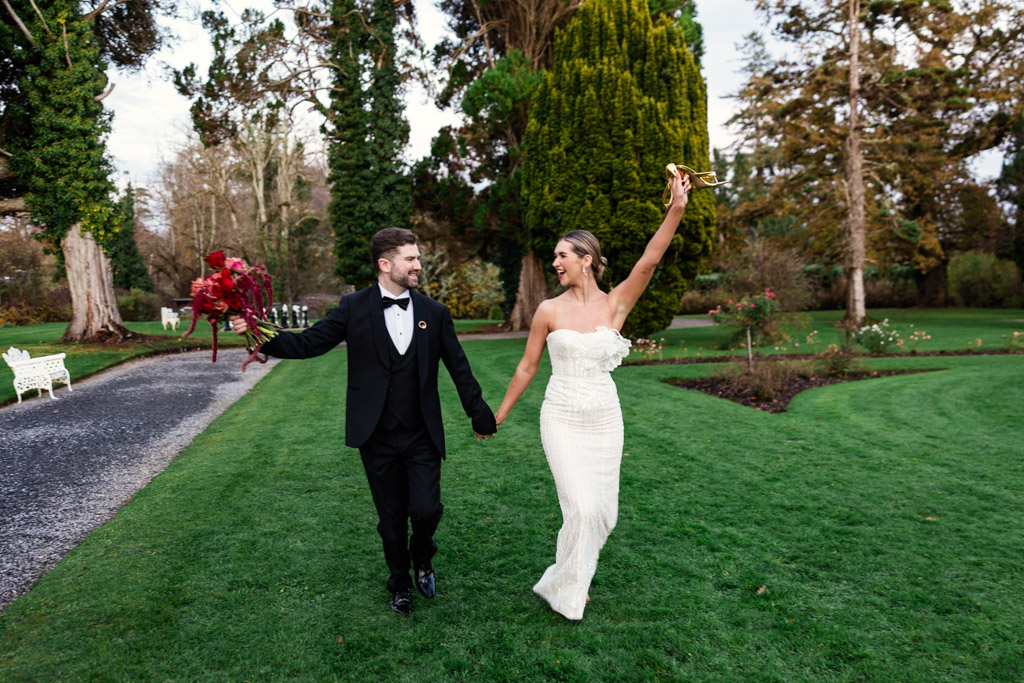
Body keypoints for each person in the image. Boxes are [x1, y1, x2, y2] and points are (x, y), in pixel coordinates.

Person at [231, 227, 497, 616]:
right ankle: (400, 583)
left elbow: (459, 367)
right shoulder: (353, 307)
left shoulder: (434, 313)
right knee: (391, 519)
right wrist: (257, 331)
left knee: (426, 510)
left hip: (421, 433)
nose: (418, 265)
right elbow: (308, 343)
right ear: (385, 264)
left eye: (417, 258)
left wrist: (480, 414)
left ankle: (423, 556)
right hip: (376, 433)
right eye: (411, 259)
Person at [494, 170, 691, 620]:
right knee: (580, 507)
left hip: (604, 418)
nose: (555, 262)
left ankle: (570, 575)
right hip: (561, 415)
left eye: (562, 255)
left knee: (602, 513)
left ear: (586, 260)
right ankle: (568, 587)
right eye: (554, 256)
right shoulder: (548, 310)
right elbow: (527, 367)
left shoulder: (615, 303)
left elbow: (650, 260)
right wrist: (501, 414)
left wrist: (676, 209)